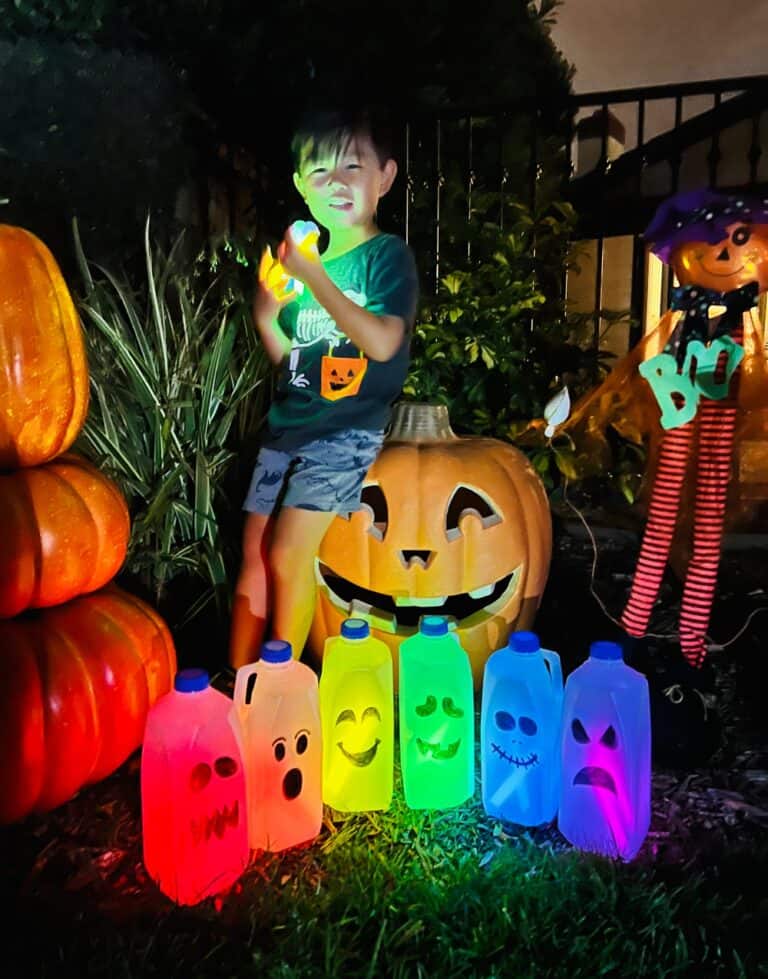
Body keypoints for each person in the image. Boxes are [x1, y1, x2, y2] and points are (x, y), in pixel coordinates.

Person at [229, 104, 419, 669]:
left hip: (344, 430)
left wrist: (315, 278)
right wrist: (268, 315)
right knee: (255, 552)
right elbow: (292, 364)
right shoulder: (305, 266)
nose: (335, 183)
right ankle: (238, 680)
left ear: (384, 177)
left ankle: (280, 681)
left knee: (289, 553)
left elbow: (384, 343)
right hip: (287, 427)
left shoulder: (386, 258)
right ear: (300, 187)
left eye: (351, 167)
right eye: (319, 172)